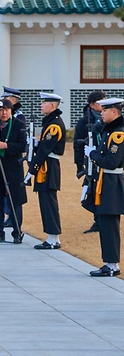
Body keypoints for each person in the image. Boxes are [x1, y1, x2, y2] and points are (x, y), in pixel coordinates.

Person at [84, 97, 124, 277]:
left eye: (105, 110)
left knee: (109, 225)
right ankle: (109, 262)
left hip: (112, 184)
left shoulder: (118, 134)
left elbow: (111, 161)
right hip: (105, 181)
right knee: (105, 223)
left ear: (114, 112)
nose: (101, 113)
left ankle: (112, 265)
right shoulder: (109, 131)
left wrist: (91, 154)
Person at [0, 98, 27, 244]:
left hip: (13, 168)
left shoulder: (19, 125)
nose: (4, 113)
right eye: (1, 110)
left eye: (7, 110)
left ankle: (17, 232)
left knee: (15, 200)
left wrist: (5, 146)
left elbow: (22, 146)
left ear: (11, 111)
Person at [29, 93, 66, 250]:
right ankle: (52, 237)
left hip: (49, 166)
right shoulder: (50, 122)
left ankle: (53, 238)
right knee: (46, 201)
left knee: (49, 202)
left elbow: (45, 150)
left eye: (44, 103)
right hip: (47, 164)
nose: (41, 105)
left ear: (53, 105)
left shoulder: (54, 125)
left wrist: (32, 169)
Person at [75, 90, 105, 234]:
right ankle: (97, 221)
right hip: (91, 160)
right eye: (100, 101)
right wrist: (79, 164)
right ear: (92, 105)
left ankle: (104, 220)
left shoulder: (108, 119)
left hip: (105, 159)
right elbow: (78, 143)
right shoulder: (84, 121)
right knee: (92, 190)